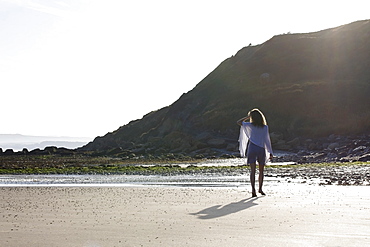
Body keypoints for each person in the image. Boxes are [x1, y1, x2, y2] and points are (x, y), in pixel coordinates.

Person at [237, 108, 273, 197]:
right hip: (261, 149)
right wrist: (270, 152)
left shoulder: (250, 125)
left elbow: (239, 122)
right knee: (261, 171)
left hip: (252, 148)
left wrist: (248, 116)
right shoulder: (265, 127)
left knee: (252, 171)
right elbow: (267, 140)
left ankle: (253, 190)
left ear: (252, 117)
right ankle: (260, 189)